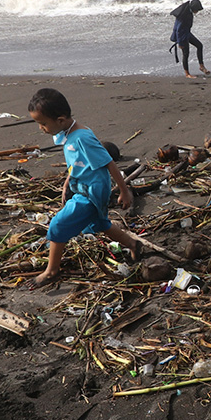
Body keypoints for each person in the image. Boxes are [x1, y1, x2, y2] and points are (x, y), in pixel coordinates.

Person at [26, 88, 142, 288]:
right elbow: (77, 162)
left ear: (60, 120)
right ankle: (133, 244)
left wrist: (123, 191)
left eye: (43, 123)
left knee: (58, 225)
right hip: (82, 185)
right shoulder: (69, 133)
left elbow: (109, 163)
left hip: (91, 191)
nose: (41, 128)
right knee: (100, 223)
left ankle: (52, 271)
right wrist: (66, 183)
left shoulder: (82, 138)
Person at [169, 0, 210, 78]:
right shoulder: (184, 15)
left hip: (187, 33)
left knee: (199, 45)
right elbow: (178, 30)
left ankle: (201, 66)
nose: (197, 11)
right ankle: (187, 73)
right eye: (197, 10)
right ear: (194, 8)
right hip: (181, 36)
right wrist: (180, 43)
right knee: (186, 53)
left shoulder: (188, 10)